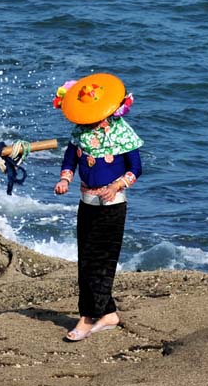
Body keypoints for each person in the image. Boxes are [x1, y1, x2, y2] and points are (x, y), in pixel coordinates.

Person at [52, 73, 142, 342]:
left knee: (103, 262)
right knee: (86, 260)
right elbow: (69, 162)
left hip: (113, 205)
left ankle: (87, 317)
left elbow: (136, 168)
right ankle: (108, 313)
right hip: (86, 202)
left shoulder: (122, 132)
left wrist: (117, 185)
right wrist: (64, 179)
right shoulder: (79, 133)